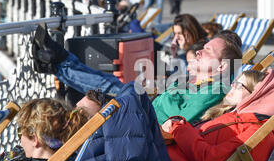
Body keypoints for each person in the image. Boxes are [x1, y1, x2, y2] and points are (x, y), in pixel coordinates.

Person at [31, 23, 242, 125]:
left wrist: (170, 93)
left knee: (107, 89)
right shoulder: (209, 83)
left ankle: (58, 62)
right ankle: (58, 63)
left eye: (207, 51)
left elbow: (180, 119)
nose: (199, 51)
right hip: (144, 110)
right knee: (108, 85)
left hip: (143, 122)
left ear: (222, 66)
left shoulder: (214, 91)